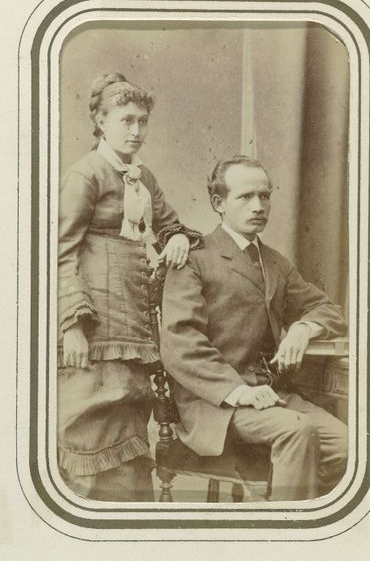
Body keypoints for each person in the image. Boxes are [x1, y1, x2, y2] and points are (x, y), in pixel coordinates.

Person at [160, 155, 348, 501]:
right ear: (219, 203)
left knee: (348, 448)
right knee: (298, 431)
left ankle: (283, 504)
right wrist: (240, 392)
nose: (258, 206)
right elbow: (181, 343)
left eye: (264, 196)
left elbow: (327, 309)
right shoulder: (195, 259)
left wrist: (303, 328)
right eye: (245, 197)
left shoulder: (275, 262)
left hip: (271, 394)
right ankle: (287, 526)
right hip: (216, 403)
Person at [57, 72, 201, 502]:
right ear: (101, 121)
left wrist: (177, 237)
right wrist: (71, 326)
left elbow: (170, 224)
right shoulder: (86, 174)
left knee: (130, 417)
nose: (136, 131)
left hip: (134, 323)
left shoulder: (143, 177)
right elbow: (59, 252)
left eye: (142, 121)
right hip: (95, 325)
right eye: (126, 120)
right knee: (90, 421)